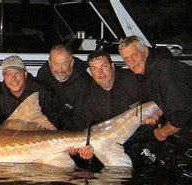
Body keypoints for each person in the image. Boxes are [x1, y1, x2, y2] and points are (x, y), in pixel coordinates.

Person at [118, 35, 191, 171]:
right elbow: (172, 97)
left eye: (134, 55)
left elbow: (181, 113)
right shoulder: (149, 71)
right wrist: (158, 111)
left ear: (145, 51)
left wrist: (163, 132)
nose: (131, 62)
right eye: (126, 59)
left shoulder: (165, 69)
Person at [67, 50, 151, 167]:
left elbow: (158, 100)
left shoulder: (134, 80)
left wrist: (155, 115)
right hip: (106, 142)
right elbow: (79, 126)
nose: (100, 73)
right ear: (90, 72)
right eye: (95, 69)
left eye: (104, 66)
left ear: (112, 67)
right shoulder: (85, 95)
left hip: (140, 139)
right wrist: (84, 148)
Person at [0, 55, 59, 129]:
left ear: (25, 74)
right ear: (3, 76)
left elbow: (55, 120)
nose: (13, 78)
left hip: (44, 134)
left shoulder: (43, 91)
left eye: (17, 73)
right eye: (8, 74)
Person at [36, 44, 92, 130]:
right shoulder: (43, 76)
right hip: (49, 128)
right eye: (55, 64)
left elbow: (81, 120)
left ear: (72, 62)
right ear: (50, 63)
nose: (60, 70)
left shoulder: (84, 82)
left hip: (74, 130)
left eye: (64, 64)